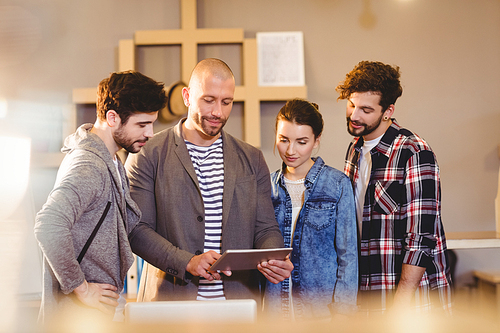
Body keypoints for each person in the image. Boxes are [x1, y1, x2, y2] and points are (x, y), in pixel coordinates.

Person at [125, 58, 293, 306]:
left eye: (227, 102)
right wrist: (186, 261)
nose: (218, 112)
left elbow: (265, 228)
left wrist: (273, 258)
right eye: (208, 100)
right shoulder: (148, 153)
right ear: (187, 96)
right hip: (169, 305)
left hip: (238, 305)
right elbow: (136, 229)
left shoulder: (252, 158)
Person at [34, 71, 167, 324]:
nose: (150, 133)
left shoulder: (111, 161)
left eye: (152, 123)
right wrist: (82, 288)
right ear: (112, 117)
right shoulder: (89, 165)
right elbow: (48, 225)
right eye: (142, 124)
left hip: (94, 317)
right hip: (79, 318)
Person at [335, 61, 452, 314]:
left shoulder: (414, 152)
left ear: (388, 110)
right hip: (369, 296)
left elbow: (420, 241)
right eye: (352, 105)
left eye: (366, 109)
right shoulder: (354, 150)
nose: (354, 115)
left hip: (410, 303)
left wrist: (399, 308)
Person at [264, 99, 358, 320]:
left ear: (316, 141)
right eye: (283, 140)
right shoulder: (265, 186)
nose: (290, 150)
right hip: (276, 312)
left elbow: (348, 255)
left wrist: (343, 314)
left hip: (322, 313)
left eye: (301, 142)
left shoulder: (337, 184)